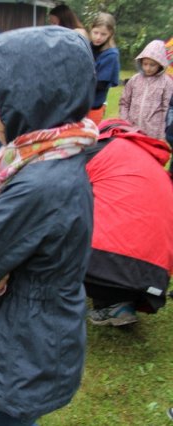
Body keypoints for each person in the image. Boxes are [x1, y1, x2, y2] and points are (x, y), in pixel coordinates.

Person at [0, 26, 98, 425]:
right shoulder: (59, 158)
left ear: (30, 100)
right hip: (36, 337)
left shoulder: (38, 185)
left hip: (24, 350)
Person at [84, 119, 173, 326]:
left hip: (106, 264)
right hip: (155, 275)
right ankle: (119, 303)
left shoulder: (101, 150)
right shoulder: (148, 160)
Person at [119, 40, 173, 141]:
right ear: (141, 62)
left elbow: (167, 109)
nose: (148, 68)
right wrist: (125, 122)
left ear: (160, 64)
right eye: (145, 64)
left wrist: (162, 132)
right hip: (131, 129)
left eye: (152, 65)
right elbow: (124, 102)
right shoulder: (134, 79)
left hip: (153, 134)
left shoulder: (167, 82)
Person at [88, 12, 120, 125]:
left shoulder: (110, 55)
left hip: (94, 107)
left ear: (110, 34)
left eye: (103, 34)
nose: (98, 37)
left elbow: (100, 84)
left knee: (90, 139)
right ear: (91, 29)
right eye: (96, 32)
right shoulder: (86, 46)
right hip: (78, 105)